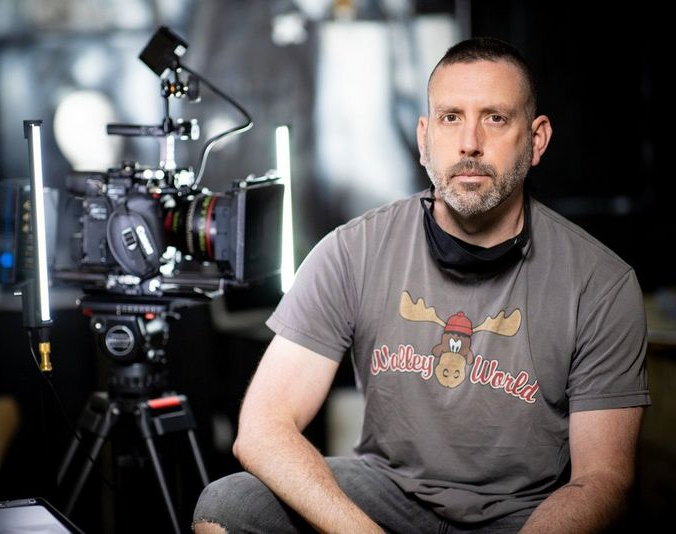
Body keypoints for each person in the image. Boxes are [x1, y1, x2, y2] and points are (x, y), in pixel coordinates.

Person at [192, 37, 649, 533]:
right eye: (451, 117)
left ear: (536, 140)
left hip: (524, 512)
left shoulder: (601, 283)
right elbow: (261, 429)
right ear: (424, 138)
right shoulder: (353, 250)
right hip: (386, 493)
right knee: (228, 506)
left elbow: (602, 480)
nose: (469, 142)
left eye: (495, 117)